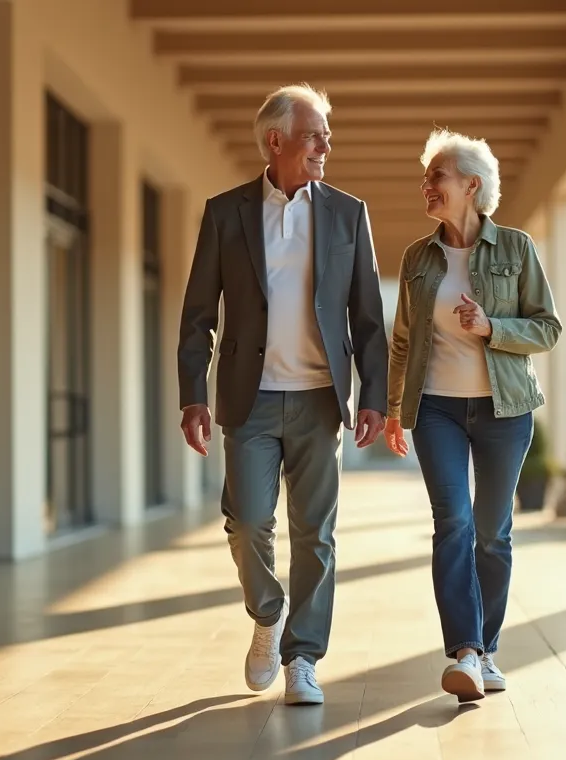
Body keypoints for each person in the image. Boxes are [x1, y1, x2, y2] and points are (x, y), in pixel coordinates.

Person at [176, 84, 388, 706]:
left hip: (322, 398)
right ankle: (267, 615)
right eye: (315, 134)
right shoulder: (226, 212)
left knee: (315, 534)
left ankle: (302, 658)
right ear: (276, 141)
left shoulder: (349, 214)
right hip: (250, 398)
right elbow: (197, 315)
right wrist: (193, 395)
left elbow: (368, 316)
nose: (326, 145)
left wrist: (373, 395)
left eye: (325, 134)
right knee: (246, 523)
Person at [384, 128, 562, 702]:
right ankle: (463, 650)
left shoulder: (516, 249)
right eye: (427, 175)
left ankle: (486, 650)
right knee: (453, 524)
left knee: (492, 534)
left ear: (471, 185)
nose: (426, 184)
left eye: (436, 175)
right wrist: (393, 410)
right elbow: (404, 342)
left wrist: (492, 328)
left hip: (504, 411)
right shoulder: (417, 257)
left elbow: (547, 328)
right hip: (435, 409)